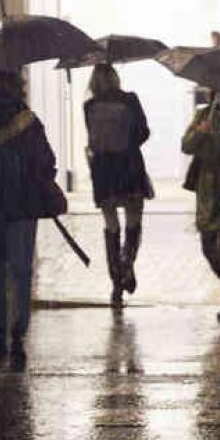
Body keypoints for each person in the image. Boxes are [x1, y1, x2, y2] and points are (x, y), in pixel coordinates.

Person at [0, 71, 67, 369]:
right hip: (23, 207)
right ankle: (18, 332)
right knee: (21, 271)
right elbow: (47, 163)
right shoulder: (28, 121)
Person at [83, 64, 153, 309]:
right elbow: (144, 132)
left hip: (103, 172)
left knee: (111, 225)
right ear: (115, 78)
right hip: (130, 168)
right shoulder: (130, 100)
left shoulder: (89, 106)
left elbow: (92, 138)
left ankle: (116, 286)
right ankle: (127, 265)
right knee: (134, 221)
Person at [182, 89, 220, 322]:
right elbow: (186, 145)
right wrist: (201, 132)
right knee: (208, 247)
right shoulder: (203, 115)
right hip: (206, 189)